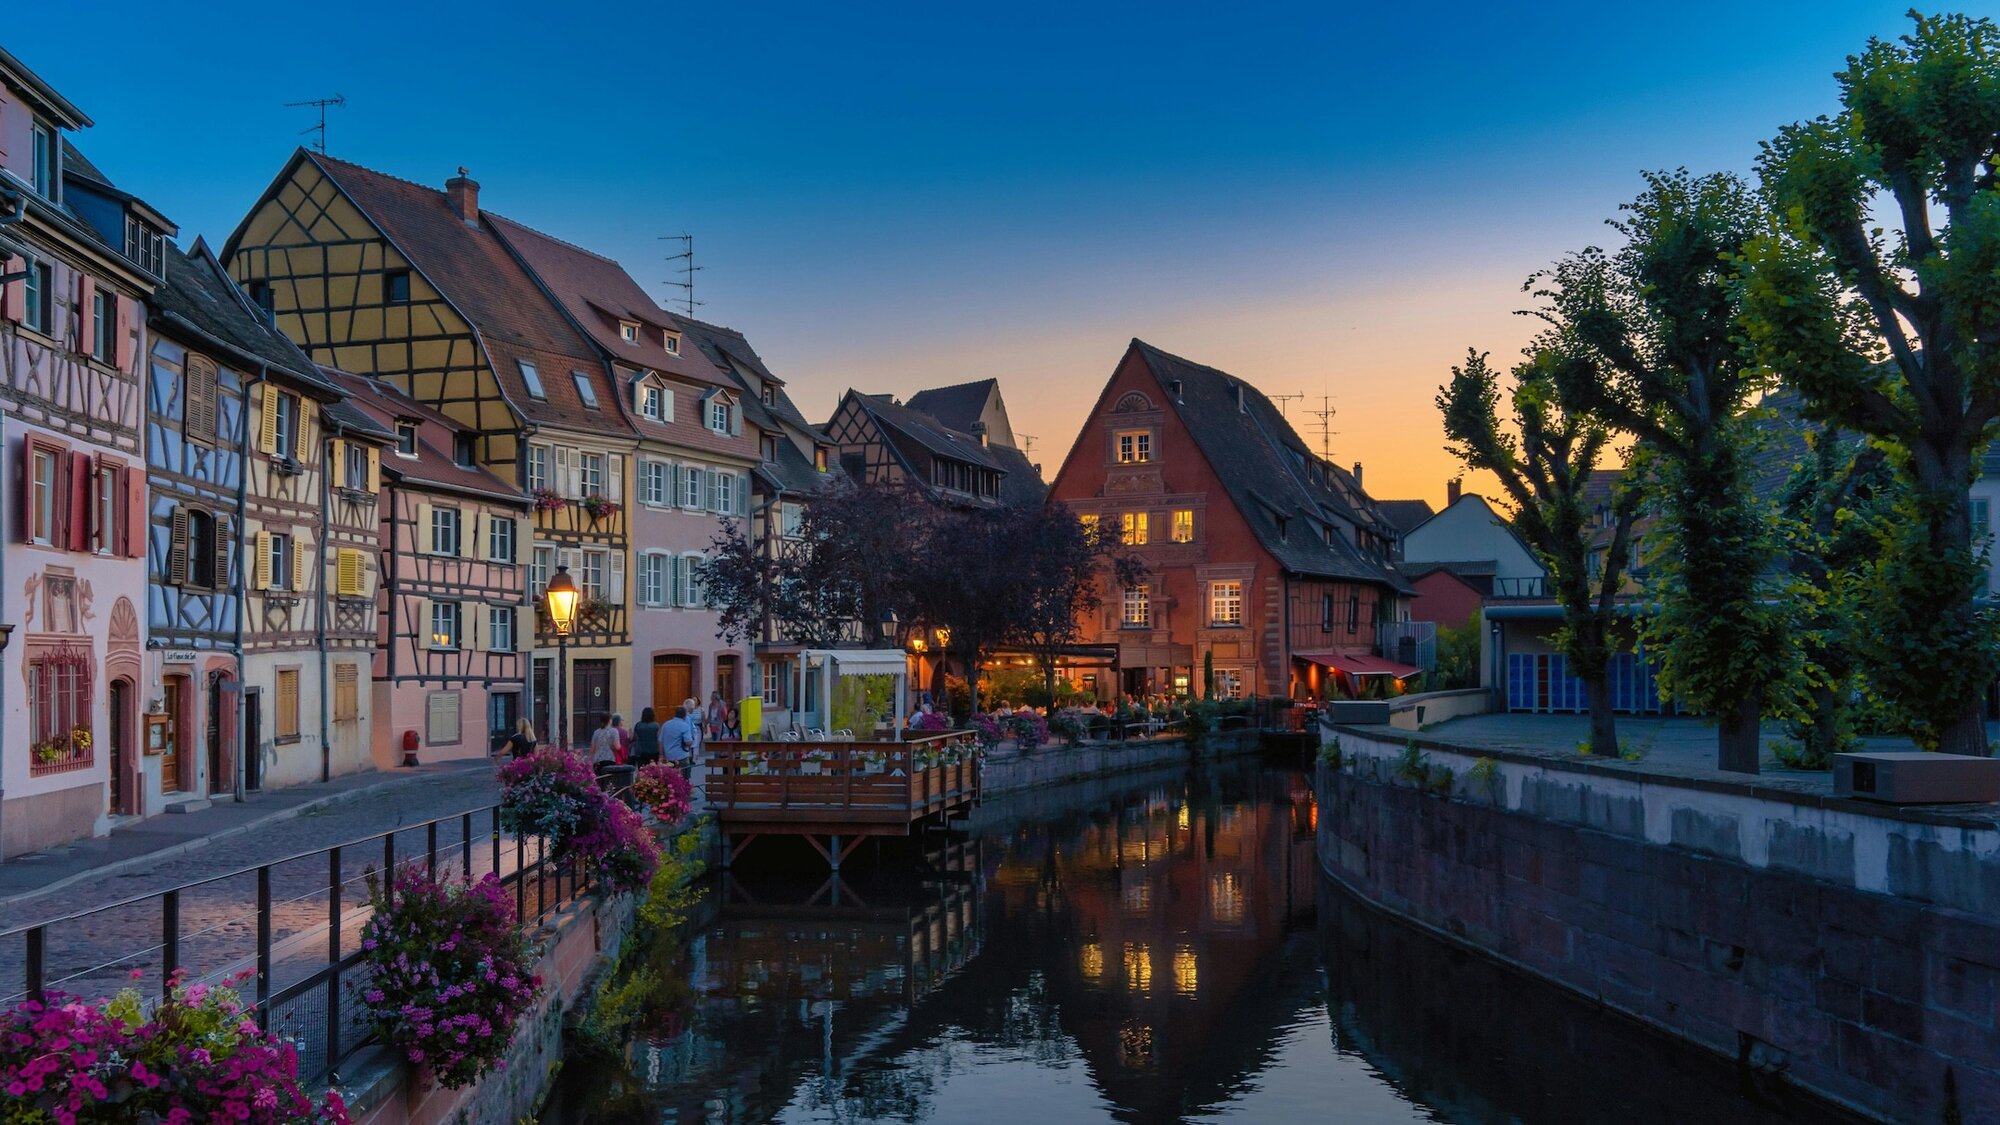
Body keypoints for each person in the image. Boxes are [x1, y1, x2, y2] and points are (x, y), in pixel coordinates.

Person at [659, 705, 696, 773]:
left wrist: (661, 754)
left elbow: (661, 741)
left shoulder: (666, 724)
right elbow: (688, 742)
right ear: (684, 715)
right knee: (684, 779)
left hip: (668, 756)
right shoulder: (684, 726)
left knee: (670, 779)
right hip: (681, 756)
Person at [589, 714, 622, 782]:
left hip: (598, 761)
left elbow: (592, 749)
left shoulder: (596, 732)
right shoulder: (614, 731)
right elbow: (617, 747)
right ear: (610, 720)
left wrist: (589, 760)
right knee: (609, 781)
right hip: (610, 759)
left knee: (599, 781)